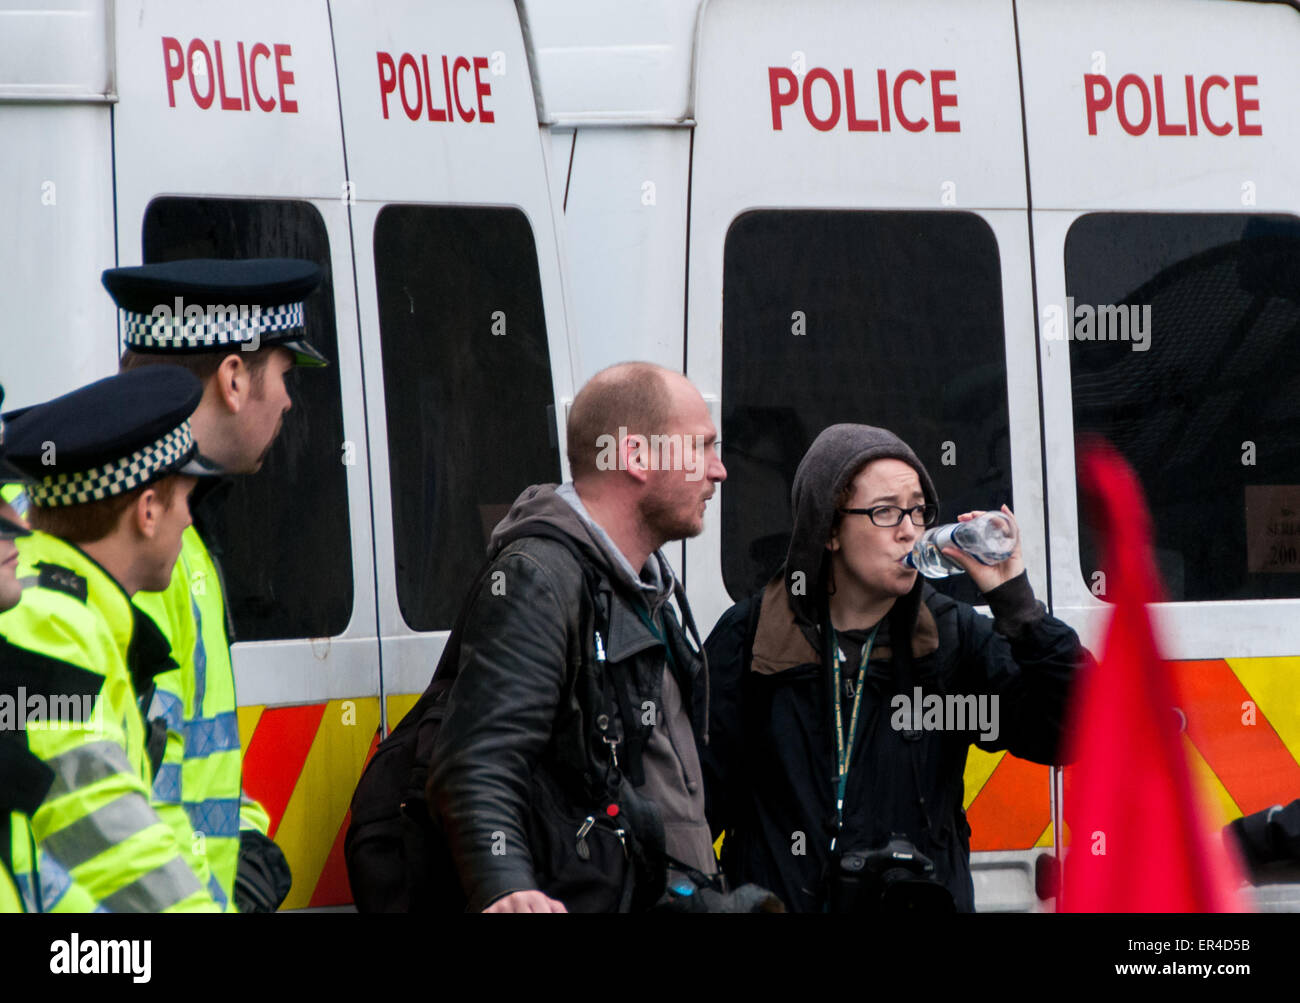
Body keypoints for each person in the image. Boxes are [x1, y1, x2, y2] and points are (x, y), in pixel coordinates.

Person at [700, 423, 1088, 912]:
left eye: (918, 509)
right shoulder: (752, 639)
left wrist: (1018, 606)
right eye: (885, 511)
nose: (910, 529)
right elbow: (694, 809)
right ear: (829, 532)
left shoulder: (949, 637)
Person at [426, 362, 728, 912]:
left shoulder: (641, 586)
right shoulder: (538, 578)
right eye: (702, 447)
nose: (719, 470)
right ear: (635, 457)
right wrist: (507, 888)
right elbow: (479, 757)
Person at [99, 256, 328, 913]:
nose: (287, 399)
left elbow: (185, 755)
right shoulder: (134, 537)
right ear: (234, 377)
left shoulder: (181, 532)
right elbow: (117, 787)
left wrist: (247, 844)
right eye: (284, 375)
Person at [0, 367, 222, 912]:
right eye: (184, 501)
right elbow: (102, 829)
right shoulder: (49, 622)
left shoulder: (81, 614)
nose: (15, 521)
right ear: (147, 510)